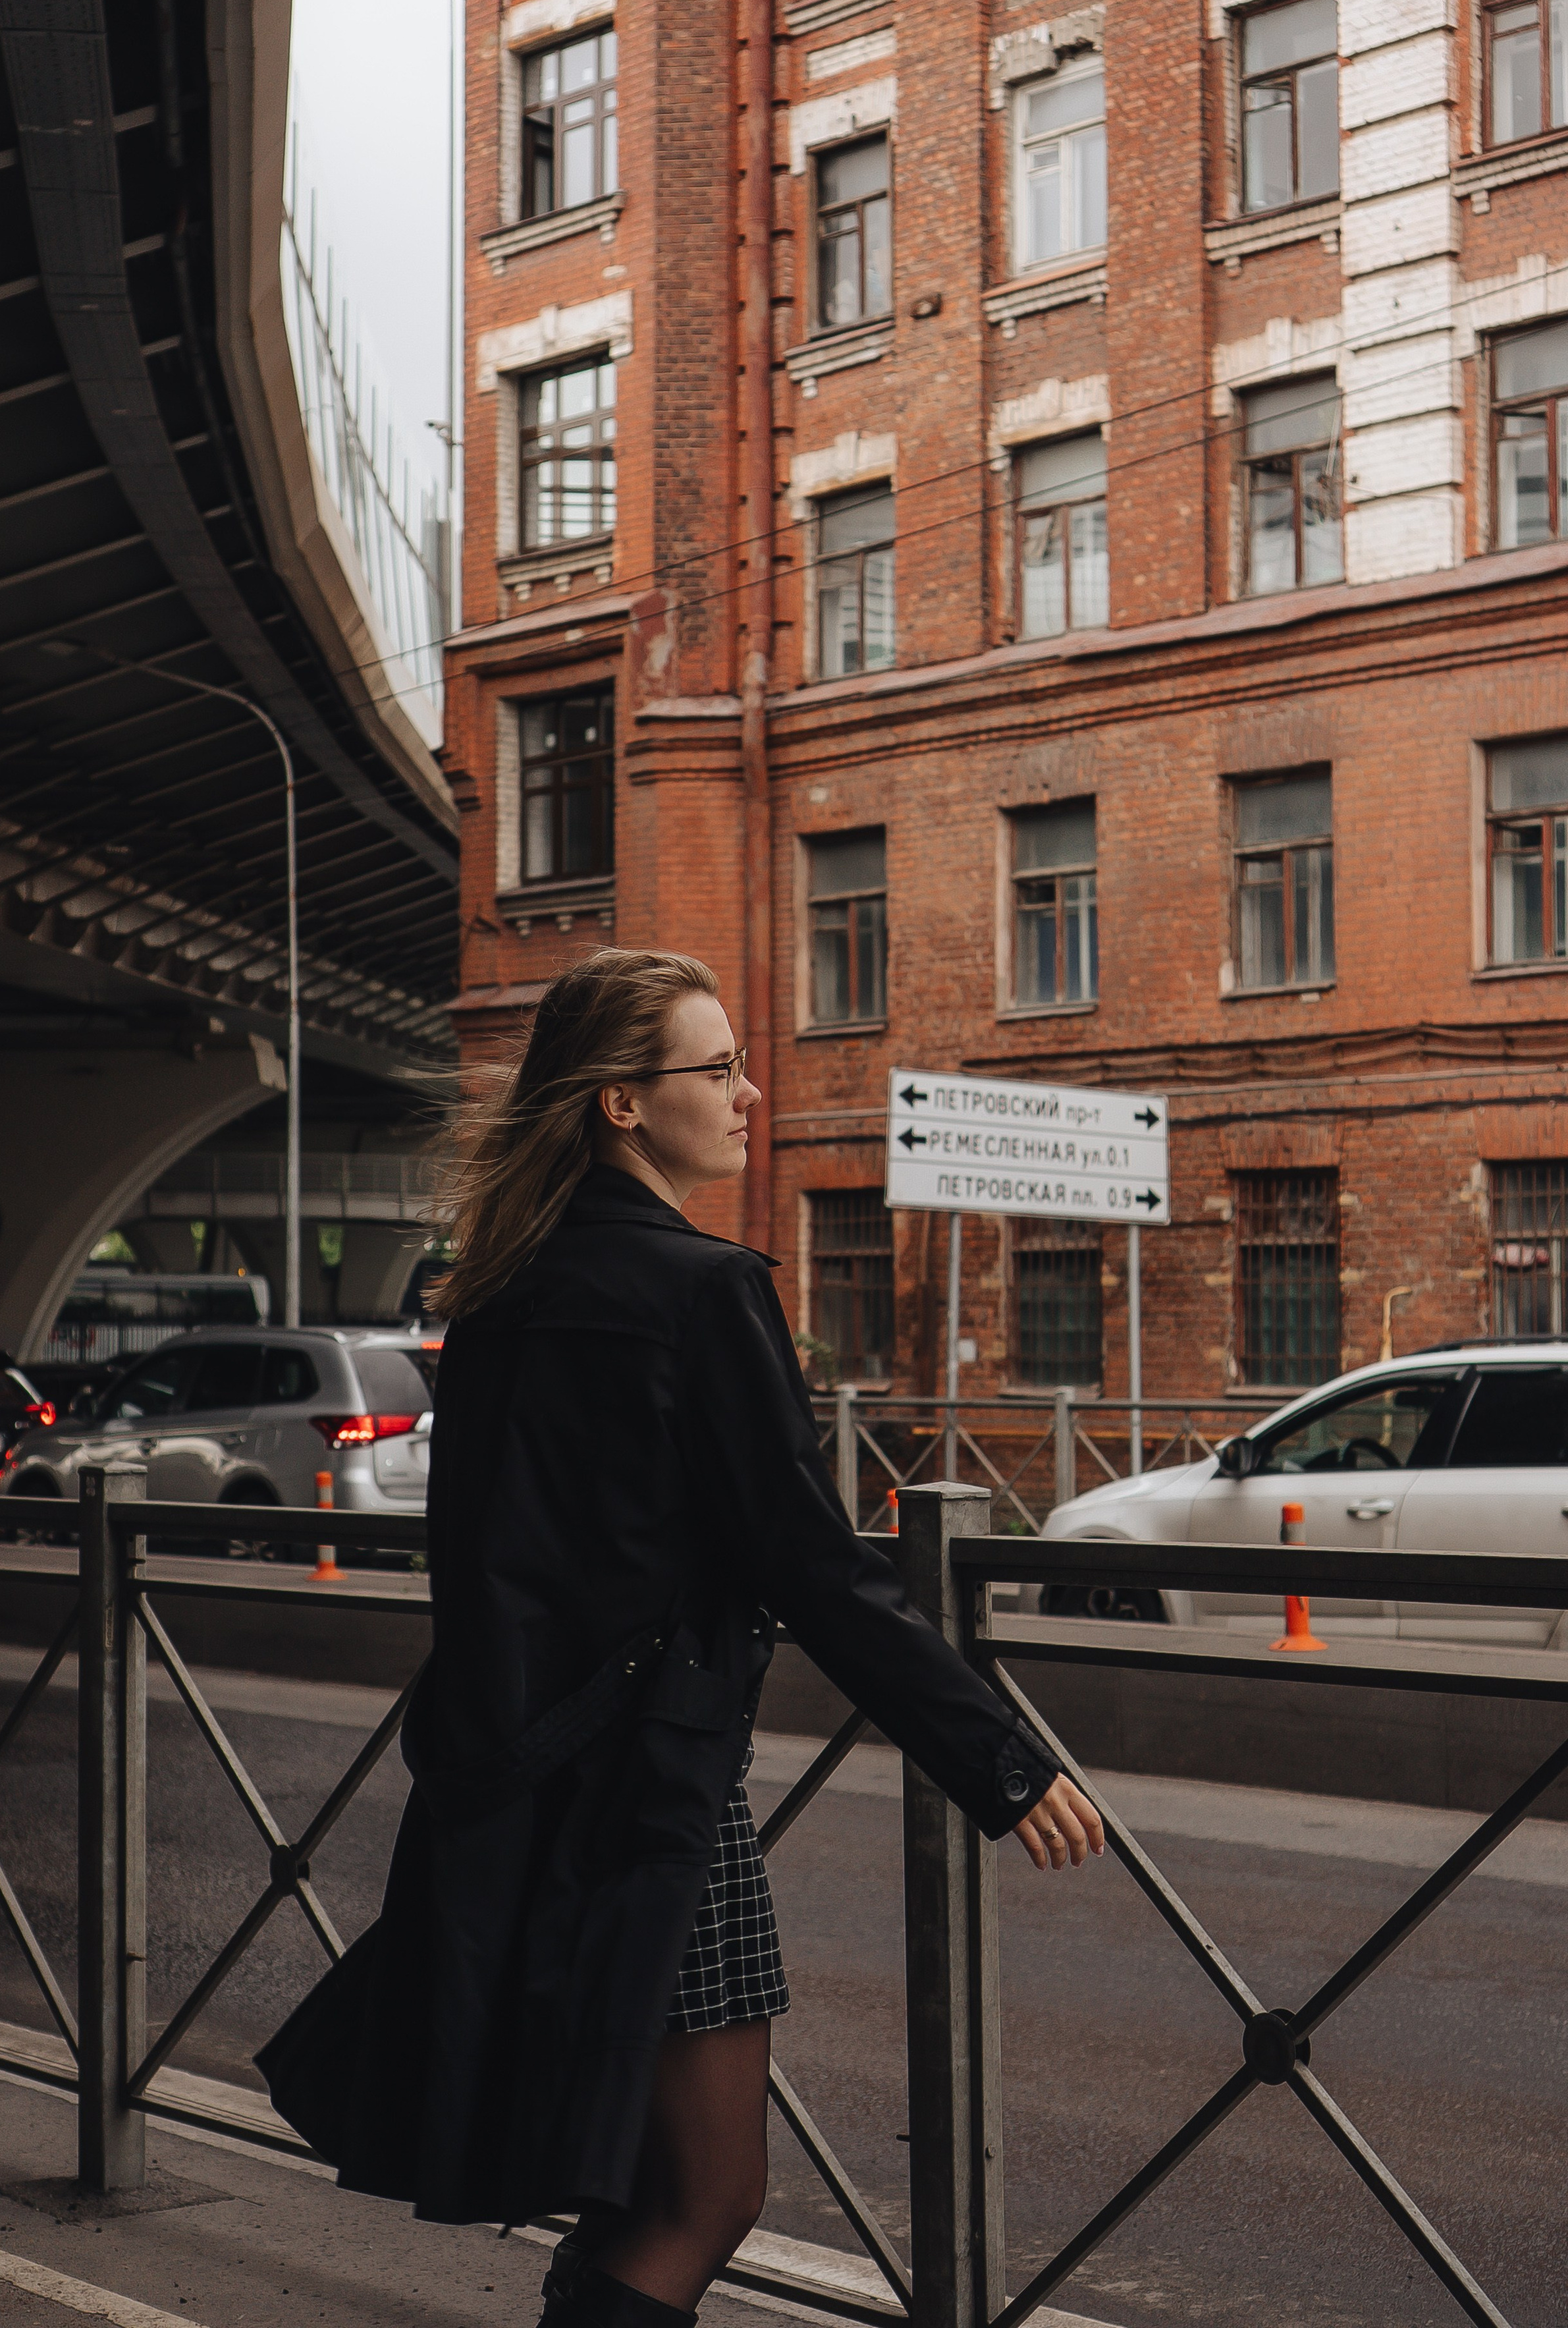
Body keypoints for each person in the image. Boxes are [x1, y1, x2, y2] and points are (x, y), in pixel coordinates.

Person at [257, 947, 1103, 2328]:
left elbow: (478, 1561)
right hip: (655, 1793)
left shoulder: (502, 1285)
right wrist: (999, 1763)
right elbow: (814, 1566)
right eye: (717, 1070)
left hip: (519, 1783)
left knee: (637, 2178)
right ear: (622, 1103)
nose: (749, 1094)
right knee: (706, 2193)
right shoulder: (702, 1289)